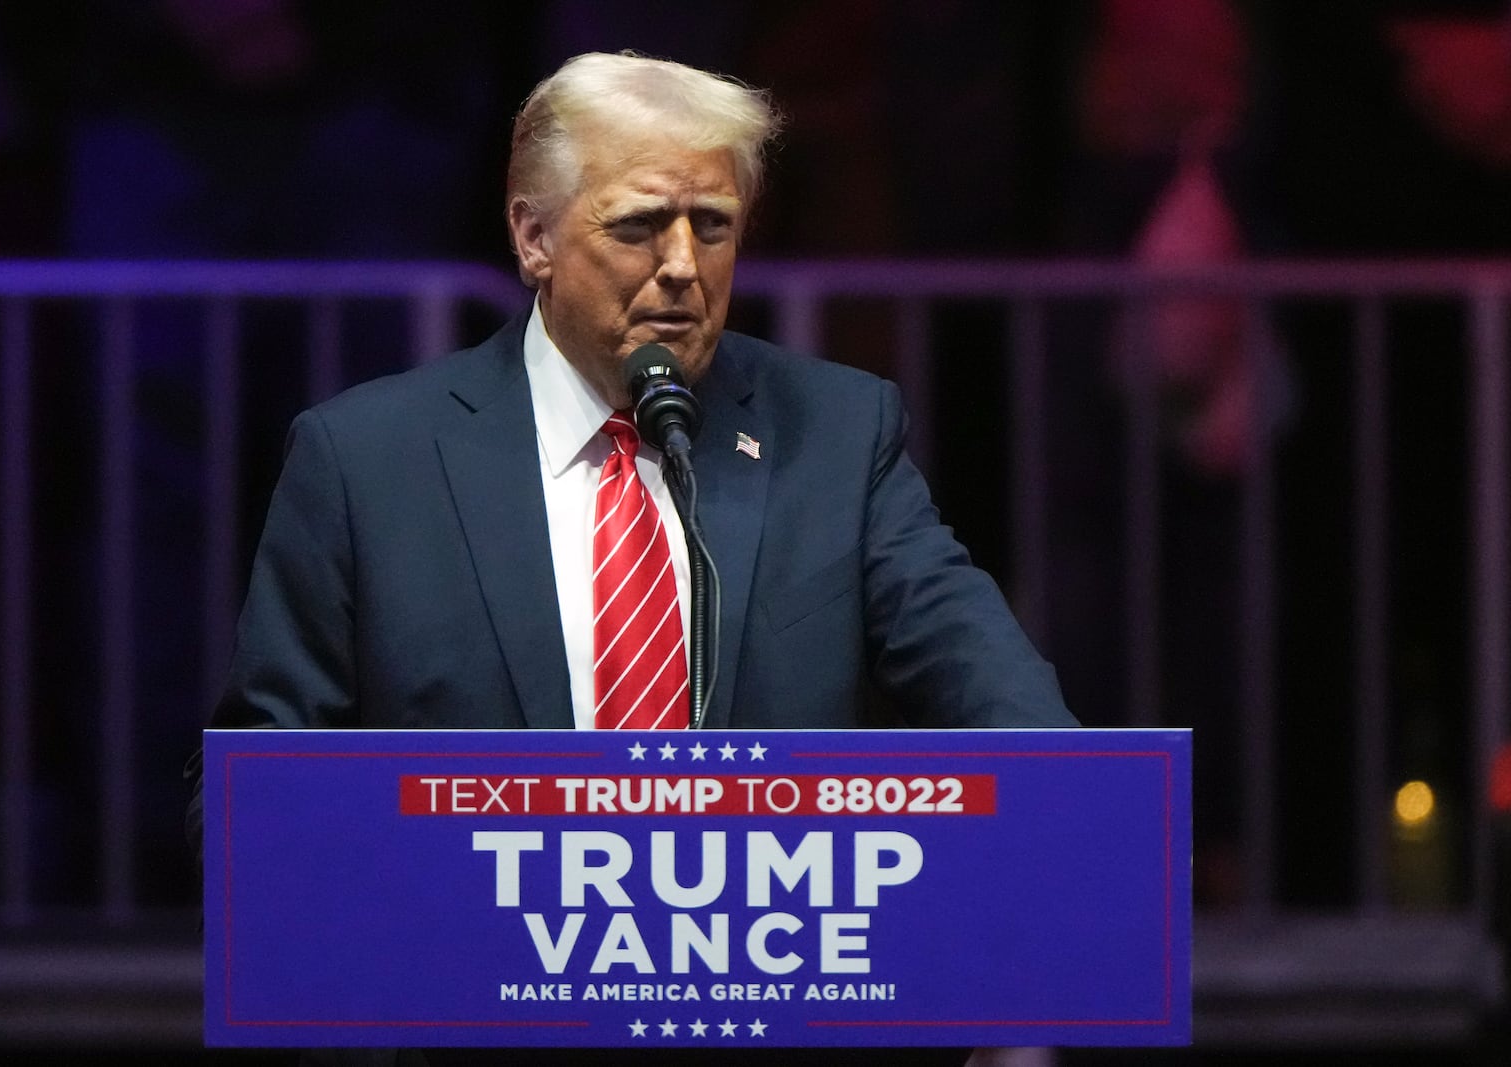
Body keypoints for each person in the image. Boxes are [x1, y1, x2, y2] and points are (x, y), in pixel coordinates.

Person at [189, 51, 1075, 1067]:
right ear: (533, 235)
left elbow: (1005, 710)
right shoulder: (366, 462)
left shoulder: (835, 435)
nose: (684, 267)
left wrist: (1064, 824)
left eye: (713, 224)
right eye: (639, 226)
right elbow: (257, 811)